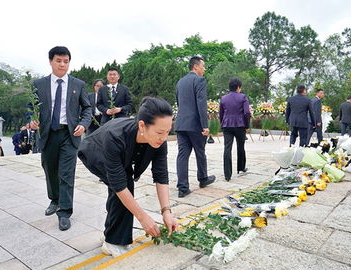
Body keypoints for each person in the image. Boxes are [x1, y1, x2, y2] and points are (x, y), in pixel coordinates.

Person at [78, 97, 178, 257]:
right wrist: (143, 218)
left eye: (168, 132)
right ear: (142, 125)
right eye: (160, 132)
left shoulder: (160, 141)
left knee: (123, 188)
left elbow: (161, 175)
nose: (164, 137)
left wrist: (166, 211)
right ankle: (112, 241)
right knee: (123, 186)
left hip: (123, 154)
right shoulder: (115, 136)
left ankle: (111, 233)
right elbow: (119, 185)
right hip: (95, 151)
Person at [30, 46, 92, 231]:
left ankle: (64, 212)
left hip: (69, 134)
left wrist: (84, 123)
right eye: (58, 61)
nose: (62, 64)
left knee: (66, 173)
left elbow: (87, 108)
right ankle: (54, 200)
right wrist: (31, 120)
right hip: (47, 134)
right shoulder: (38, 84)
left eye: (66, 61)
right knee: (50, 169)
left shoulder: (78, 84)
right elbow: (29, 107)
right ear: (50, 61)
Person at [175, 56, 215, 197]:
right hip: (195, 124)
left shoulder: (180, 82)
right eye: (203, 66)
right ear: (196, 66)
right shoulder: (200, 80)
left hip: (181, 123)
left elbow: (179, 102)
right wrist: (205, 125)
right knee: (200, 151)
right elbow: (201, 104)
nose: (204, 69)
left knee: (182, 155)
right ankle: (203, 179)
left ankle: (182, 187)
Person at [219, 78, 251, 181]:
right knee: (240, 146)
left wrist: (222, 123)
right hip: (240, 125)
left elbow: (221, 114)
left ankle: (227, 174)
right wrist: (247, 125)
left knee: (227, 148)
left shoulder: (223, 98)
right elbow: (247, 113)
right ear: (238, 87)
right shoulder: (243, 97)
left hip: (227, 125)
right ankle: (241, 167)